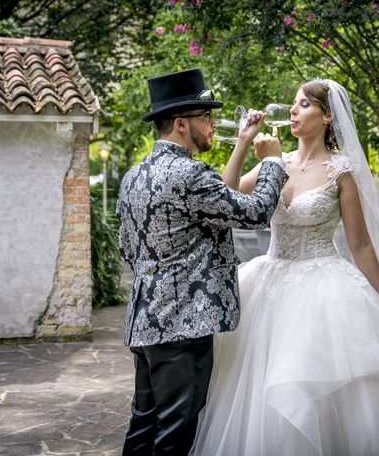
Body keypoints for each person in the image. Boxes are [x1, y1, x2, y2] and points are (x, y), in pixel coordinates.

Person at [191, 79, 379, 455]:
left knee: (325, 393)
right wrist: (242, 142)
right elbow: (225, 193)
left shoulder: (341, 171)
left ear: (328, 115)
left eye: (303, 104)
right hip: (268, 287)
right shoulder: (277, 163)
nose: (293, 111)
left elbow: (361, 243)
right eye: (293, 103)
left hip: (324, 292)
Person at [116, 68, 288, 455]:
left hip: (145, 322)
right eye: (206, 117)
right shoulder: (189, 173)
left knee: (144, 425)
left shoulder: (133, 176)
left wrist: (242, 142)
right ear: (181, 124)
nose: (213, 124)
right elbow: (255, 212)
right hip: (184, 325)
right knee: (176, 434)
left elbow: (128, 248)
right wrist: (274, 162)